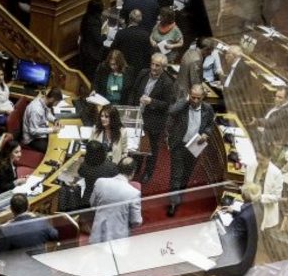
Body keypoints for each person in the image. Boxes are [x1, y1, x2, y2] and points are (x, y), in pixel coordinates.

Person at [166, 83, 214, 215]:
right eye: (193, 97)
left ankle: (180, 193)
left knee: (187, 173)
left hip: (195, 145)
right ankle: (173, 202)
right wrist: (186, 100)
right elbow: (172, 111)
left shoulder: (207, 109)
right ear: (189, 95)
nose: (195, 101)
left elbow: (210, 124)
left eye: (199, 98)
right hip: (179, 144)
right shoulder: (183, 105)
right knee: (176, 174)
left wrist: (206, 134)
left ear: (203, 97)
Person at [129, 53, 176, 183]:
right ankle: (136, 167)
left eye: (157, 66)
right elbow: (134, 90)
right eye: (152, 64)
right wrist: (131, 108)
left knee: (152, 149)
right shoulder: (143, 73)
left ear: (163, 67)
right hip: (138, 116)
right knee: (137, 144)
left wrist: (152, 101)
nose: (154, 68)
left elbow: (168, 105)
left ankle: (148, 173)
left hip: (154, 121)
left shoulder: (168, 83)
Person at [89, 164, 142, 244]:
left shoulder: (100, 182)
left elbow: (92, 204)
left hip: (97, 237)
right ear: (132, 173)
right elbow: (136, 221)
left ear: (118, 169)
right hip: (118, 241)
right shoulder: (134, 193)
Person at [220, 183, 260, 268]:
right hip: (249, 245)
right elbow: (247, 217)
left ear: (243, 196)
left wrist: (218, 231)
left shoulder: (244, 216)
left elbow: (230, 238)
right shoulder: (256, 207)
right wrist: (233, 212)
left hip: (238, 254)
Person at [251, 86, 288, 151]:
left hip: (270, 139)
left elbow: (270, 122)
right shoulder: (279, 104)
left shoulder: (286, 111)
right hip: (263, 130)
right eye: (276, 96)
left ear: (287, 98)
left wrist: (257, 121)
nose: (276, 99)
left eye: (280, 97)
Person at [78, 140, 121, 207]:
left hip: (88, 198)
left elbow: (80, 173)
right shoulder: (111, 166)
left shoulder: (84, 166)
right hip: (105, 199)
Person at [112, 10, 153, 75]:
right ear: (140, 19)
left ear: (129, 18)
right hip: (139, 69)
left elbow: (113, 49)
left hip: (123, 66)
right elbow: (148, 53)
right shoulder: (145, 35)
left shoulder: (120, 33)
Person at [22, 87, 63, 152]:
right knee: (53, 149)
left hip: (40, 131)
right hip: (32, 139)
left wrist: (55, 120)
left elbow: (46, 113)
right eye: (56, 103)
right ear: (51, 99)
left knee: (56, 140)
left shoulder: (43, 100)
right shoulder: (36, 110)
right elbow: (33, 131)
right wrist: (52, 129)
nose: (55, 105)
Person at [217, 45, 255, 112]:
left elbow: (241, 88)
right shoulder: (235, 64)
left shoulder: (243, 67)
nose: (225, 57)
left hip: (234, 99)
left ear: (233, 56)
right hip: (228, 93)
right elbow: (231, 79)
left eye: (227, 54)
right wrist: (221, 80)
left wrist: (223, 88)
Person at [78, 0, 106, 76]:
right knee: (90, 73)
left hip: (85, 48)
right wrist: (105, 34)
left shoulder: (86, 16)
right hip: (91, 52)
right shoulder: (94, 22)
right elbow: (99, 40)